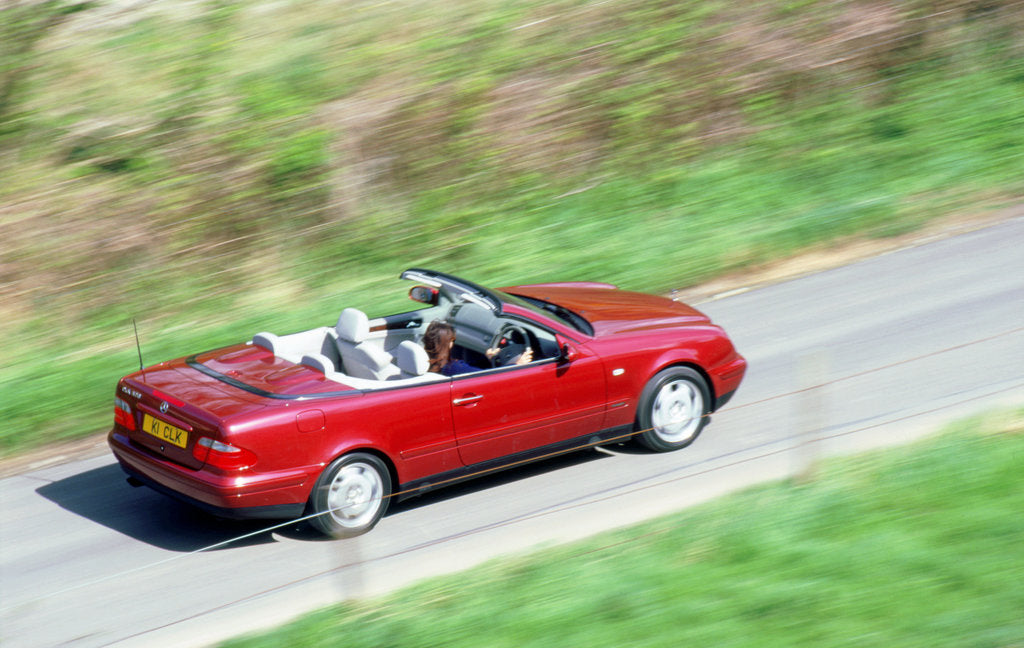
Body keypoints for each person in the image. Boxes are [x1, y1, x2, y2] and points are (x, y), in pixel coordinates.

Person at [423, 320, 532, 376]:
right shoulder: (452, 367)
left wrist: (487, 358)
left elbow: (468, 369)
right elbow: (488, 377)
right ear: (448, 344)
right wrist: (516, 365)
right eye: (452, 340)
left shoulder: (432, 362)